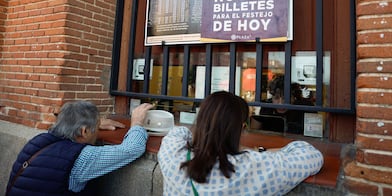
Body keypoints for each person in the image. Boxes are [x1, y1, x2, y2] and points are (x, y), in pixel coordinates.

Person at [158, 91, 324, 195]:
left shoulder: (172, 154)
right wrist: (256, 151)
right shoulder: (252, 167)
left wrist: (208, 141)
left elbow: (179, 132)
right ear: (242, 129)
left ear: (200, 121)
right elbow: (311, 155)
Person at [6, 100, 153, 195]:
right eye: (95, 129)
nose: (96, 132)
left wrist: (94, 123)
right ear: (84, 131)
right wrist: (137, 122)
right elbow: (133, 148)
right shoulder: (81, 158)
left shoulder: (38, 141)